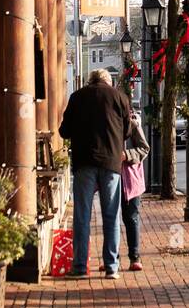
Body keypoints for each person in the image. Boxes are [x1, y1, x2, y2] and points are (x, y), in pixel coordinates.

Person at [59, 68, 130, 280]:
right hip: (111, 163)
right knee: (111, 215)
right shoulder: (120, 97)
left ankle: (80, 266)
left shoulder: (77, 97)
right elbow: (127, 131)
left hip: (84, 162)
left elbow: (64, 131)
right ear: (108, 82)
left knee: (82, 215)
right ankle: (111, 266)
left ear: (90, 80)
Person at [121, 109, 150, 272]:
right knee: (110, 218)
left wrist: (126, 155)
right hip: (110, 177)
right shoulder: (105, 121)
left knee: (131, 217)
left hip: (131, 179)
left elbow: (144, 148)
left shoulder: (132, 124)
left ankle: (135, 257)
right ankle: (110, 259)